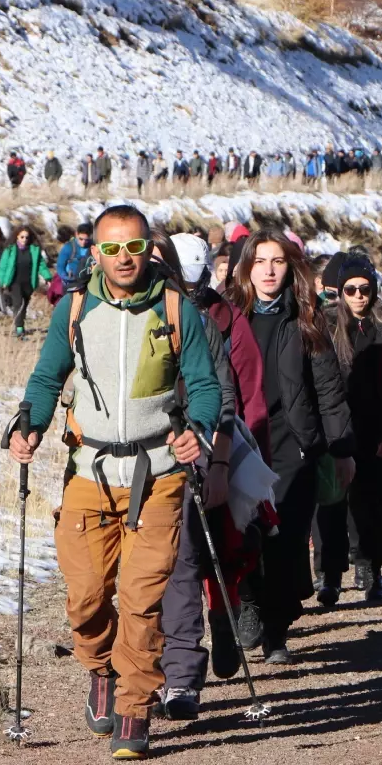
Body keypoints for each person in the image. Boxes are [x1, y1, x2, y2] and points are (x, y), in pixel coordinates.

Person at [8, 203, 220, 760]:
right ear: (95, 252)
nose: (123, 258)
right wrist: (29, 423)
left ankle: (133, 709)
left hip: (160, 474)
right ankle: (100, 667)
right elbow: (48, 376)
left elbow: (204, 386)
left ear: (149, 248)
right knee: (85, 598)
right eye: (111, 248)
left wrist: (197, 429)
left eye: (133, 247)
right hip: (90, 471)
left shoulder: (177, 310)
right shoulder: (74, 308)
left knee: (142, 597)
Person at [156, 232, 272, 721]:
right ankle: (159, 670)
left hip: (202, 454)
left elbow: (233, 394)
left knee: (210, 553)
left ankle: (213, 632)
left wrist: (221, 459)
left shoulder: (209, 324)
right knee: (162, 569)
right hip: (138, 463)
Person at [228, 229, 354, 663]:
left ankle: (277, 632)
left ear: (290, 267)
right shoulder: (228, 316)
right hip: (241, 440)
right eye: (260, 261)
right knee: (242, 533)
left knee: (286, 540)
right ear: (246, 268)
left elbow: (328, 388)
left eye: (277, 261)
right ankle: (249, 604)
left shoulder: (306, 318)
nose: (268, 270)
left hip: (292, 443)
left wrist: (340, 448)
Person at [322, 254, 382, 603]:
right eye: (351, 289)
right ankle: (329, 575)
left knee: (371, 504)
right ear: (340, 293)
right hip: (334, 430)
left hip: (376, 434)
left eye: (365, 288)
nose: (359, 296)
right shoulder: (325, 327)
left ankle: (372, 568)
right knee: (331, 506)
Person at [0, 227, 52, 338]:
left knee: (24, 304)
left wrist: (47, 277)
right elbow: (3, 266)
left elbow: (41, 265)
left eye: (26, 237)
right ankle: (19, 328)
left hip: (28, 282)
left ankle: (20, 324)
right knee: (19, 304)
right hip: (14, 282)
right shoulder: (10, 249)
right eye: (22, 237)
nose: (24, 239)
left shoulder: (34, 250)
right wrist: (1, 281)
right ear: (17, 236)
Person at [54, 221, 92, 290]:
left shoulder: (92, 247)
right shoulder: (68, 247)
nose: (83, 242)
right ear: (76, 234)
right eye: (81, 239)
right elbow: (60, 266)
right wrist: (67, 278)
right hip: (71, 283)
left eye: (86, 240)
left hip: (88, 283)